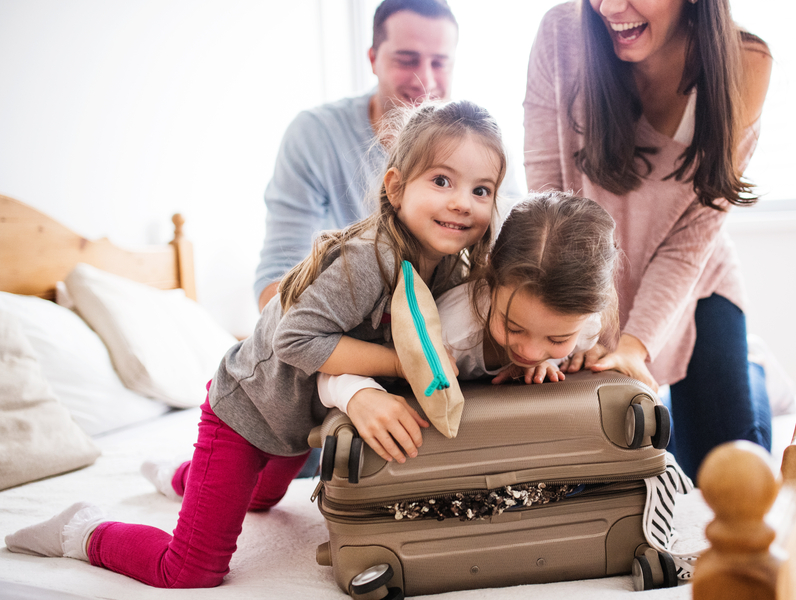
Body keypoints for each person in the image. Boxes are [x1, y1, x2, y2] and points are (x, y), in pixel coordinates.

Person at [4, 99, 507, 589]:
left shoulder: (449, 271)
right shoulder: (366, 259)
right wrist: (404, 363)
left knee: (262, 500)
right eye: (442, 181)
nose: (463, 201)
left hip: (297, 423)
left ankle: (180, 478)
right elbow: (298, 340)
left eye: (481, 189)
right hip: (245, 413)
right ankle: (83, 529)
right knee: (190, 571)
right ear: (396, 188)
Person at [523, 0, 773, 481]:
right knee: (633, 461)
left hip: (694, 281)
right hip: (592, 280)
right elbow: (548, 199)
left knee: (726, 471)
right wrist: (586, 323)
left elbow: (692, 240)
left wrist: (636, 346)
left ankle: (752, 365)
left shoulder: (745, 64)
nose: (611, 8)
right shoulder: (562, 34)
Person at [317, 191, 620, 463]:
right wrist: (356, 394)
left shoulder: (587, 324)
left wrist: (564, 358)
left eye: (557, 338)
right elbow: (328, 368)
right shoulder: (451, 332)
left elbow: (582, 343)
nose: (530, 351)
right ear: (491, 278)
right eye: (513, 328)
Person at [254, 0, 460, 311]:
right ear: (373, 59)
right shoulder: (315, 135)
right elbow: (276, 285)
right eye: (407, 60)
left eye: (440, 63)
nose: (425, 81)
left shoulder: (481, 147)